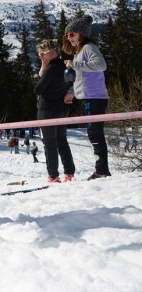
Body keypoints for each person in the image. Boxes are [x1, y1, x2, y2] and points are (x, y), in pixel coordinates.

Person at [63, 15, 111, 180]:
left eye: (72, 34)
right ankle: (102, 170)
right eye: (67, 35)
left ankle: (102, 170)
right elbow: (81, 78)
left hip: (94, 97)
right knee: (94, 133)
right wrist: (72, 93)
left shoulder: (89, 48)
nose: (69, 38)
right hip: (88, 97)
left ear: (81, 34)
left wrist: (75, 64)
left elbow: (101, 65)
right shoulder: (79, 52)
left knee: (94, 133)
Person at [34, 39, 75, 182]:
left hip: (47, 110)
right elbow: (71, 81)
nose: (41, 57)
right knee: (62, 141)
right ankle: (69, 173)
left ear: (53, 51)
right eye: (39, 55)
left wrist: (43, 72)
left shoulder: (51, 69)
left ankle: (53, 175)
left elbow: (38, 89)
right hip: (63, 109)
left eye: (43, 53)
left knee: (50, 143)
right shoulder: (64, 66)